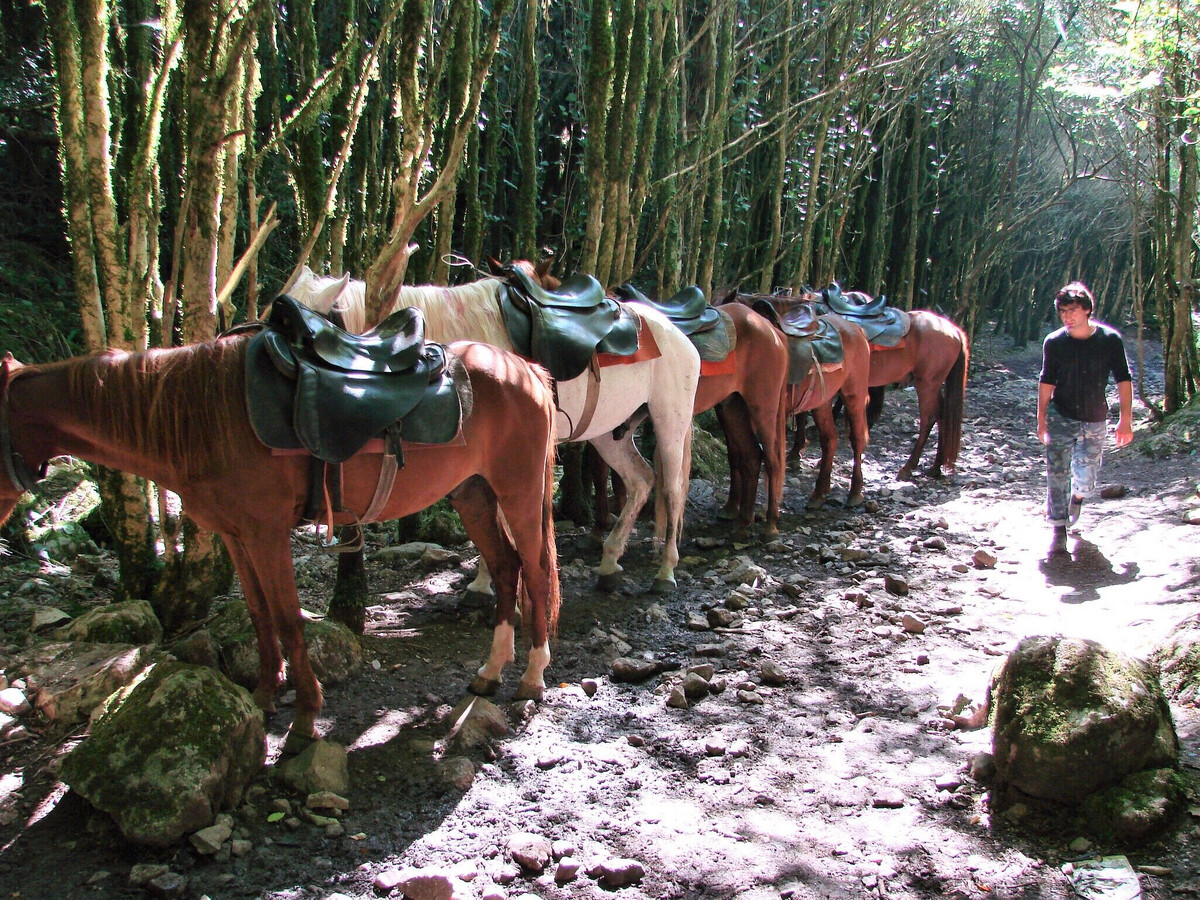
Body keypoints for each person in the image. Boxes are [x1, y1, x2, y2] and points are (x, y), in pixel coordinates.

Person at [1036, 281, 1133, 549]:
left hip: (1094, 418)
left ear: (1087, 310)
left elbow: (1123, 379)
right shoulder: (1054, 342)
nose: (1068, 316)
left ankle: (1077, 498)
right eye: (1063, 311)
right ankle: (1058, 527)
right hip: (1061, 415)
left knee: (1086, 476)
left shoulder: (1109, 340)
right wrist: (1041, 419)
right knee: (1056, 472)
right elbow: (1046, 381)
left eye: (1073, 310)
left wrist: (1125, 420)